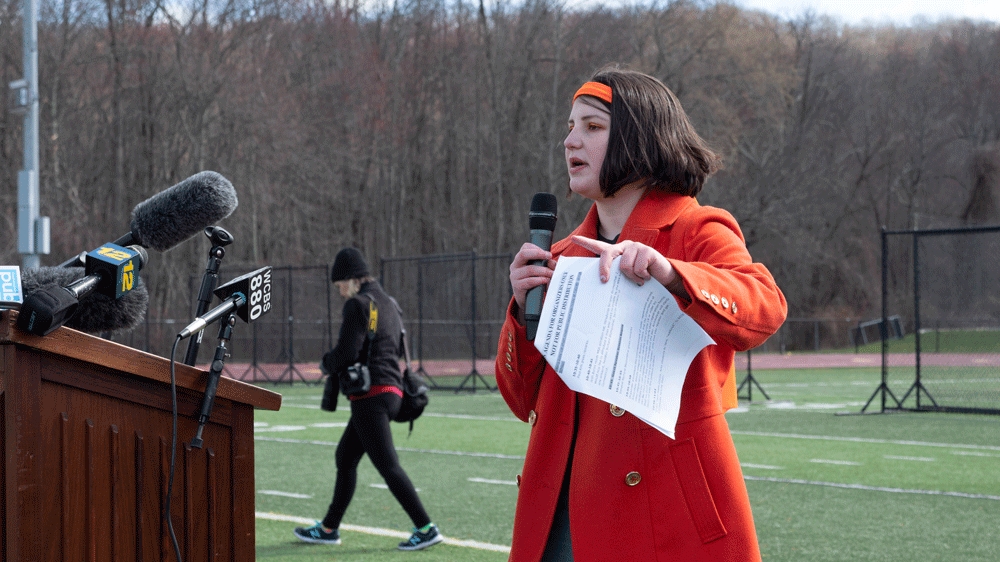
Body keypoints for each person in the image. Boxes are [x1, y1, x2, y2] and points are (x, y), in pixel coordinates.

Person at [497, 67, 787, 561]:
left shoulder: (697, 228)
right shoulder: (561, 256)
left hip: (669, 509)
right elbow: (522, 398)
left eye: (592, 127)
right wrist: (521, 309)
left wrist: (673, 274)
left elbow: (765, 307)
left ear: (640, 139)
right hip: (563, 511)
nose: (571, 141)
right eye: (570, 127)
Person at [293, 247, 443, 551]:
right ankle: (328, 528)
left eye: (339, 286)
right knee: (345, 458)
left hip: (370, 396)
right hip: (393, 392)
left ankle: (426, 528)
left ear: (350, 279)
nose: (339, 292)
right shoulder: (388, 303)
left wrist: (325, 364)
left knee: (388, 465)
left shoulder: (358, 305)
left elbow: (347, 352)